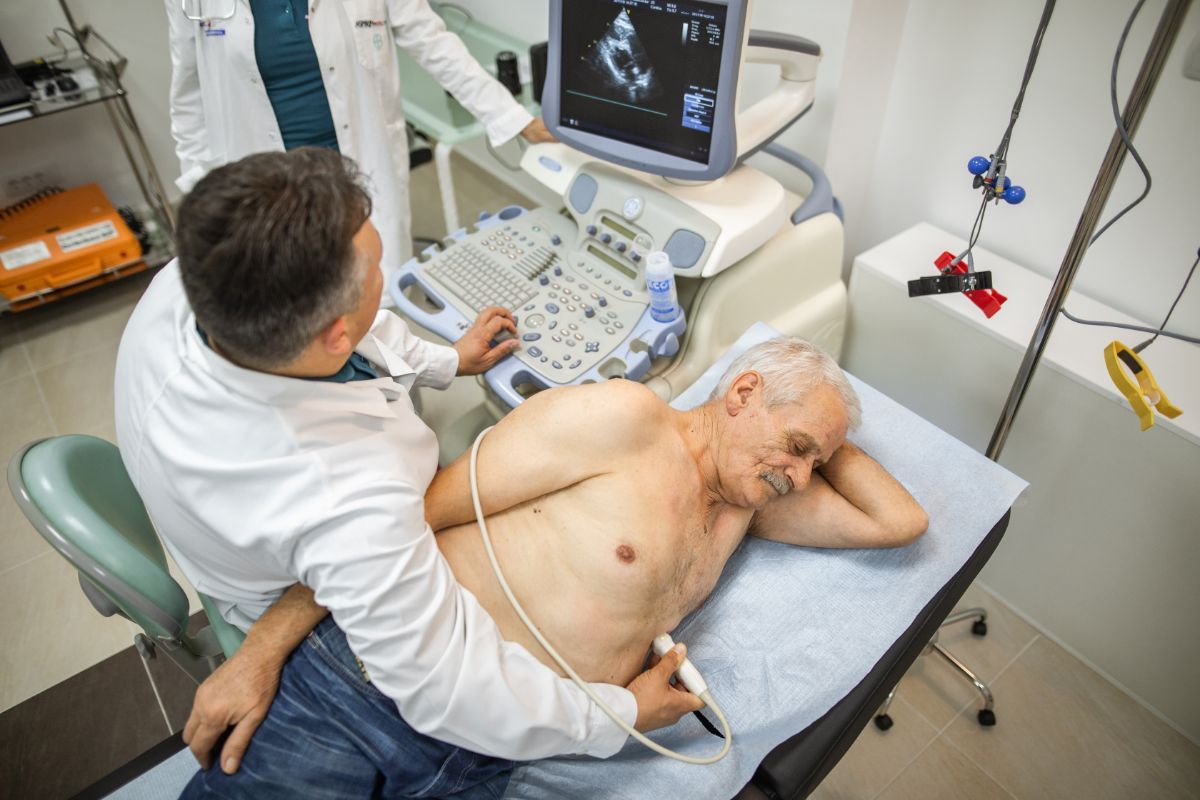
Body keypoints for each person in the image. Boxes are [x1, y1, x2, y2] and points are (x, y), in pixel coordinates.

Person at [114, 149, 698, 799]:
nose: (384, 276)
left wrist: (448, 359)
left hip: (288, 538)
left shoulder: (200, 279)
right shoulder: (346, 495)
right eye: (376, 270)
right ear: (334, 334)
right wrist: (620, 716)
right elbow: (451, 692)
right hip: (305, 601)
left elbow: (365, 339)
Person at [181, 337, 929, 795]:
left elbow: (900, 523)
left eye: (813, 465)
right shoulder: (624, 423)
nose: (799, 477)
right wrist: (259, 652)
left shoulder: (748, 504)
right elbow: (404, 520)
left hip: (488, 756)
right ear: (742, 392)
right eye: (796, 448)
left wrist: (824, 433)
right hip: (368, 688)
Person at [164, 0, 553, 279]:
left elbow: (433, 42)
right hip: (263, 185)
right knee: (292, 308)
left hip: (358, 170)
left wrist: (514, 118)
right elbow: (189, 95)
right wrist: (200, 191)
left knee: (374, 300)